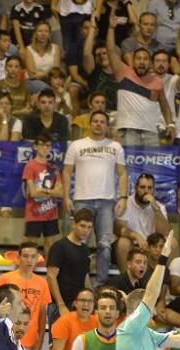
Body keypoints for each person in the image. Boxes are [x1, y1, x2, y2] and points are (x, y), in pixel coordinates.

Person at [62, 110, 128, 285]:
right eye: (95, 121)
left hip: (106, 203)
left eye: (102, 122)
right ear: (90, 124)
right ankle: (75, 282)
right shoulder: (76, 145)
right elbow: (67, 172)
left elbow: (122, 173)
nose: (98, 124)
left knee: (105, 245)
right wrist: (66, 197)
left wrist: (123, 197)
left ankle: (100, 285)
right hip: (81, 200)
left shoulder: (116, 147)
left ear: (107, 126)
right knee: (77, 243)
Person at [105, 27, 173, 147]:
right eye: (139, 58)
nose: (142, 62)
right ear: (133, 61)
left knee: (151, 166)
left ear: (151, 63)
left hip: (151, 133)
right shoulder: (123, 73)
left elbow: (164, 105)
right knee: (129, 166)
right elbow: (110, 50)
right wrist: (110, 28)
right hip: (128, 131)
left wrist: (170, 124)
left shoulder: (157, 82)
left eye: (145, 59)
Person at [0, 241, 51, 350]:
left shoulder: (42, 283)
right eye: (25, 256)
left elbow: (42, 316)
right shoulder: (6, 278)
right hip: (5, 340)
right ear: (18, 258)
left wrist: (39, 346)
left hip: (29, 344)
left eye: (33, 256)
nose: (29, 260)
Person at [114, 172, 171, 273]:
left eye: (150, 188)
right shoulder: (126, 203)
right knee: (123, 242)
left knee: (173, 243)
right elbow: (118, 228)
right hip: (133, 245)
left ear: (154, 190)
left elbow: (165, 233)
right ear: (136, 188)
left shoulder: (158, 206)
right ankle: (126, 282)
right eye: (142, 187)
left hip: (153, 246)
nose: (146, 191)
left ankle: (165, 280)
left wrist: (155, 208)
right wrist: (135, 235)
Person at [46, 209, 93, 320]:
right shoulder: (59, 246)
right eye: (82, 226)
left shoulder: (85, 249)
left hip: (79, 305)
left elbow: (85, 276)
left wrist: (92, 300)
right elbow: (51, 276)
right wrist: (61, 305)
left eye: (89, 227)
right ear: (73, 225)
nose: (86, 230)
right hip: (60, 305)